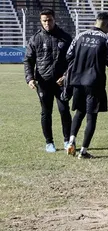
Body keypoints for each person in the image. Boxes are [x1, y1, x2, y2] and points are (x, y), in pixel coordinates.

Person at [64, 13, 108, 159]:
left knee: (79, 112)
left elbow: (68, 55)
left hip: (77, 81)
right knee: (91, 117)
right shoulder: (107, 39)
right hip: (94, 82)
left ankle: (71, 142)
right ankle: (83, 151)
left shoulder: (80, 35)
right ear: (107, 25)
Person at [24, 9, 73, 153]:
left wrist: (65, 76)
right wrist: (30, 78)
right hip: (43, 82)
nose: (47, 23)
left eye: (49, 20)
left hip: (61, 82)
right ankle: (49, 142)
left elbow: (72, 61)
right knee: (46, 112)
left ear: (54, 19)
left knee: (64, 110)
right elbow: (28, 60)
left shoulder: (65, 38)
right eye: (44, 20)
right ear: (41, 21)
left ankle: (66, 141)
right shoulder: (35, 39)